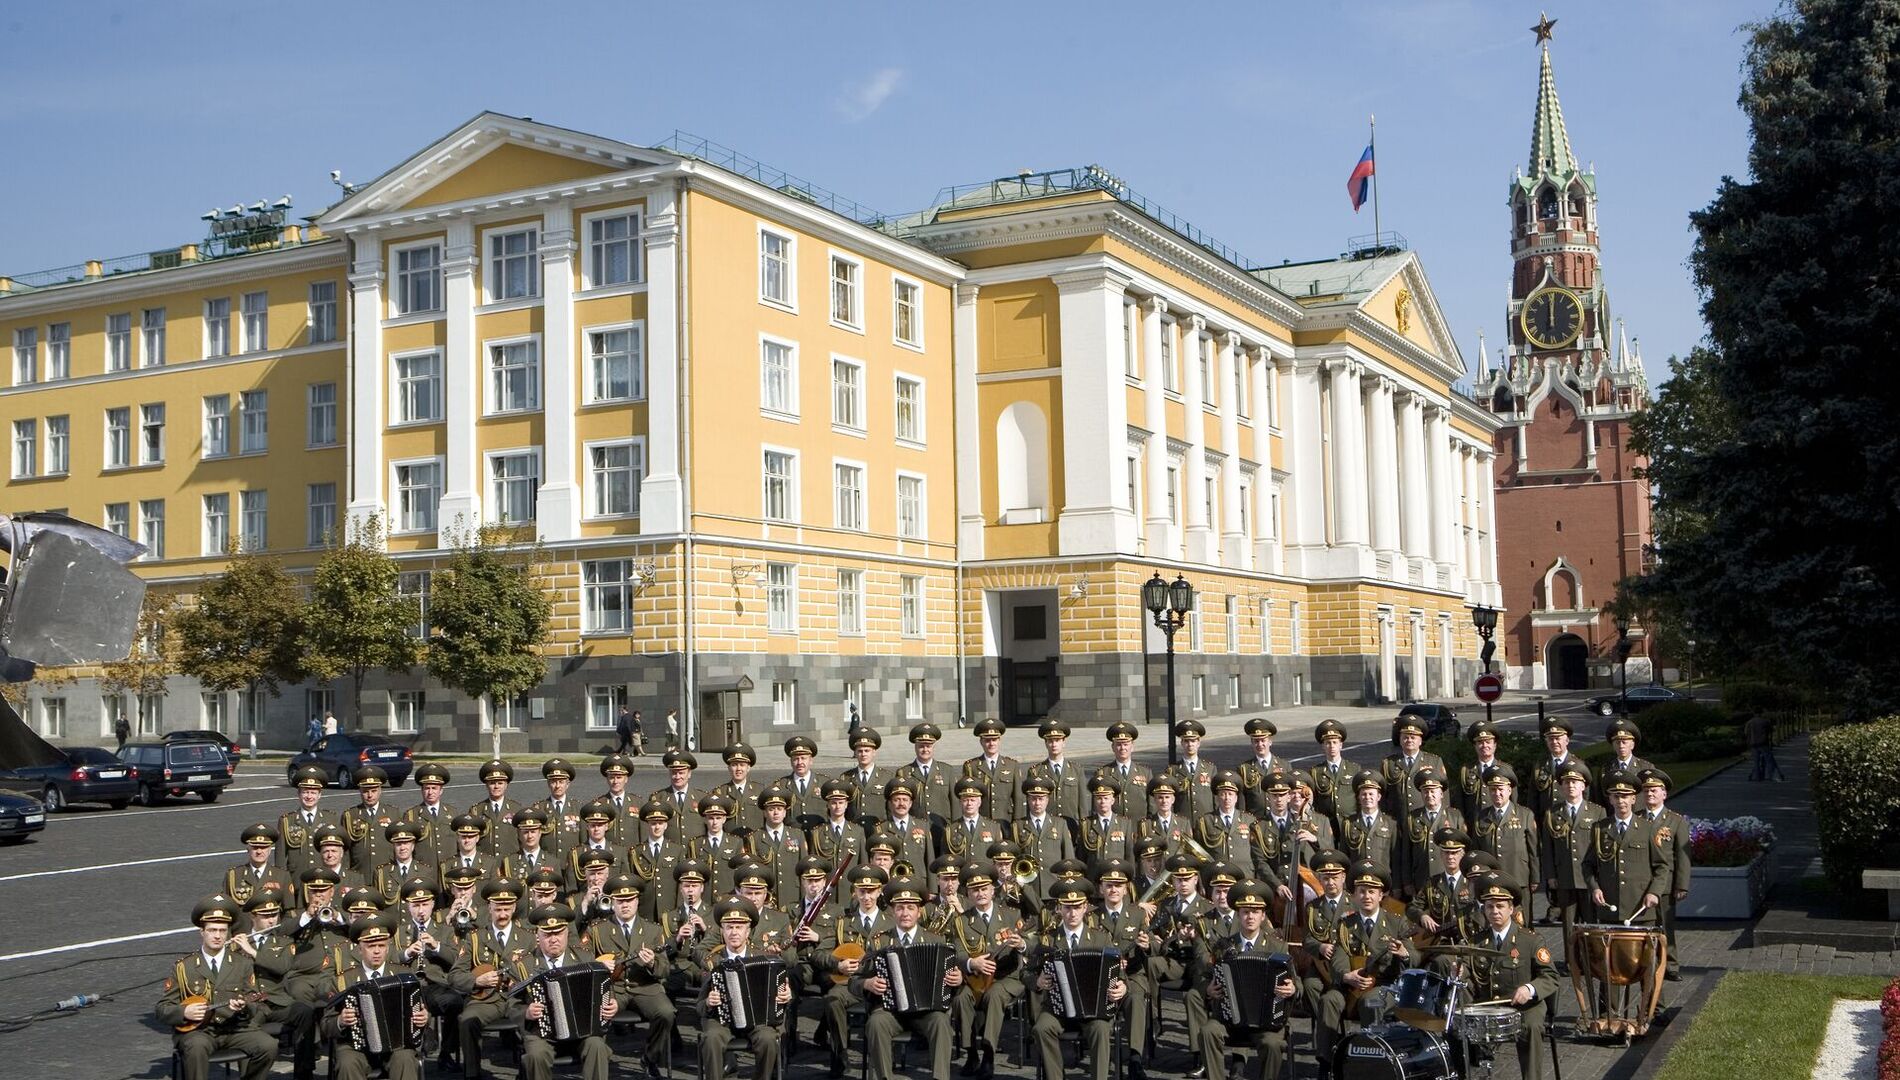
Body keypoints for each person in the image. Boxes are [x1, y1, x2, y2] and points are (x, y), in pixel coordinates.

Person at [157, 894, 278, 1080]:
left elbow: (257, 1002)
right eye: (212, 930)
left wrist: (244, 1007)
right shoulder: (184, 967)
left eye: (222, 931)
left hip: (234, 1028)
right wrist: (184, 1012)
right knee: (196, 1047)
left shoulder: (242, 964)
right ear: (202, 932)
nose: (217, 936)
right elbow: (162, 1009)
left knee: (268, 1046)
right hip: (199, 1032)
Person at [859, 877, 966, 1080]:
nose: (905, 913)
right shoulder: (879, 941)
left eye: (910, 908)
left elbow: (952, 985)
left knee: (941, 1022)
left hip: (926, 1011)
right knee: (875, 1023)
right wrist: (868, 983)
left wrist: (958, 981)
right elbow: (854, 981)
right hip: (891, 1011)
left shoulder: (937, 940)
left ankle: (940, 1077)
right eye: (900, 908)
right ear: (892, 911)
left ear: (919, 911)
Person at [1194, 881, 1299, 1080]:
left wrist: (1292, 989)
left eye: (1255, 912)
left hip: (1266, 1023)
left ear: (1263, 915)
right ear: (1238, 914)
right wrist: (1208, 989)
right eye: (1245, 912)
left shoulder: (1278, 947)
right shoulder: (1223, 945)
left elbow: (1297, 983)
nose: (1250, 917)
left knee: (1274, 1044)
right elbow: (1203, 977)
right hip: (1229, 1020)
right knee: (1207, 1031)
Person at [1462, 872, 1560, 1080]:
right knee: (1456, 1025)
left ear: (1511, 909)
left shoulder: (1531, 940)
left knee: (1532, 1027)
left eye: (1500, 906)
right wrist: (1459, 972)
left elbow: (1550, 976)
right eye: (1490, 906)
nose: (1495, 911)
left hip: (1525, 1007)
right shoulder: (1476, 942)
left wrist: (1529, 989)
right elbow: (1468, 971)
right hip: (1489, 1006)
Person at [508, 903, 621, 1080]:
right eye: (547, 934)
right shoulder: (523, 965)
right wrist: (526, 1012)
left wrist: (612, 1004)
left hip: (583, 1033)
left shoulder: (584, 957)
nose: (553, 939)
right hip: (541, 1034)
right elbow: (511, 1005)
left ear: (567, 933)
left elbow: (604, 987)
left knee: (597, 1046)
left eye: (558, 933)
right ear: (538, 935)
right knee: (535, 1056)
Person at [1027, 879, 1124, 1080]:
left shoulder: (1101, 938)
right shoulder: (1047, 940)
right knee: (1041, 1029)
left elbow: (1119, 975)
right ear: (1059, 909)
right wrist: (1037, 981)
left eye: (1077, 907)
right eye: (1067, 908)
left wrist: (1122, 987)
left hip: (1093, 1011)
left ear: (1086, 908)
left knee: (1101, 1029)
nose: (1072, 913)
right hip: (1057, 1010)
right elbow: (1025, 973)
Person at [584, 872, 676, 1069]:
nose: (625, 905)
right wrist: (599, 966)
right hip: (612, 987)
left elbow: (665, 969)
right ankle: (599, 1057)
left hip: (644, 986)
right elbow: (583, 961)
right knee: (598, 1013)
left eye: (629, 900)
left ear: (637, 901)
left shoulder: (653, 930)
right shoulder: (597, 930)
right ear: (613, 902)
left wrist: (652, 963)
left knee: (667, 1013)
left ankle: (650, 1058)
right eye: (620, 901)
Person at [323, 913, 430, 1080]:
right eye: (371, 946)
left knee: (405, 1059)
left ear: (388, 947)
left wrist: (424, 1018)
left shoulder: (404, 975)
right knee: (347, 1063)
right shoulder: (343, 980)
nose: (377, 951)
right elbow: (326, 1025)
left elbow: (421, 1013)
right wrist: (340, 1021)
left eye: (381, 945)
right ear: (360, 948)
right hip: (356, 1047)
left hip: (398, 1045)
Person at [696, 898, 794, 1080]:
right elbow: (699, 1007)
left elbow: (783, 996)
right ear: (722, 931)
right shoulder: (713, 961)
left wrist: (785, 997)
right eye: (729, 927)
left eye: (739, 927)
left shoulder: (764, 958)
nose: (734, 932)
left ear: (748, 931)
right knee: (711, 1039)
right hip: (721, 1020)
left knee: (768, 1040)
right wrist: (709, 1003)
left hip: (757, 1020)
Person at [1744, 710, 1787, 781]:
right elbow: (1771, 730)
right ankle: (1772, 775)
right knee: (1769, 760)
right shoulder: (1765, 721)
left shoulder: (1749, 722)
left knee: (1756, 761)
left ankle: (1757, 777)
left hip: (1753, 743)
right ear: (1761, 713)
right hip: (1763, 743)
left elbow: (1746, 733)